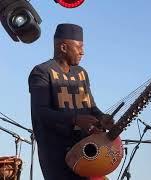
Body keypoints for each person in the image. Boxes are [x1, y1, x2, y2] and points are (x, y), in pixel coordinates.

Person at [28, 23, 113, 180]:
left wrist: (103, 118)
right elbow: (41, 112)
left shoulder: (81, 73)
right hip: (56, 156)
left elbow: (91, 107)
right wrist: (75, 119)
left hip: (85, 152)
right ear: (63, 47)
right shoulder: (42, 72)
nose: (82, 52)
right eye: (79, 47)